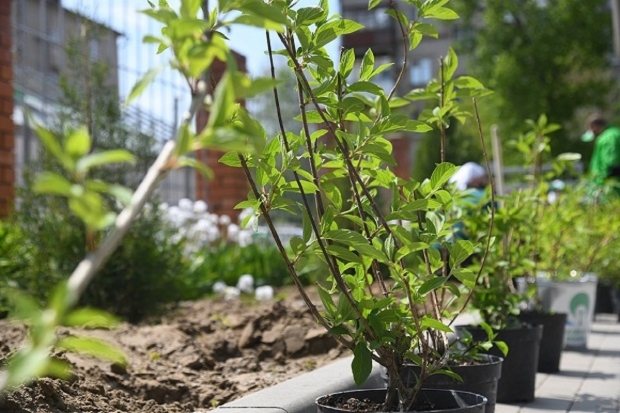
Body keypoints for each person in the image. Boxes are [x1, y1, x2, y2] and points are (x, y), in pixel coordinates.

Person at [581, 114, 620, 192]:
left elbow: (610, 164)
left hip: (607, 188)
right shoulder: (616, 133)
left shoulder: (607, 137)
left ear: (594, 126)